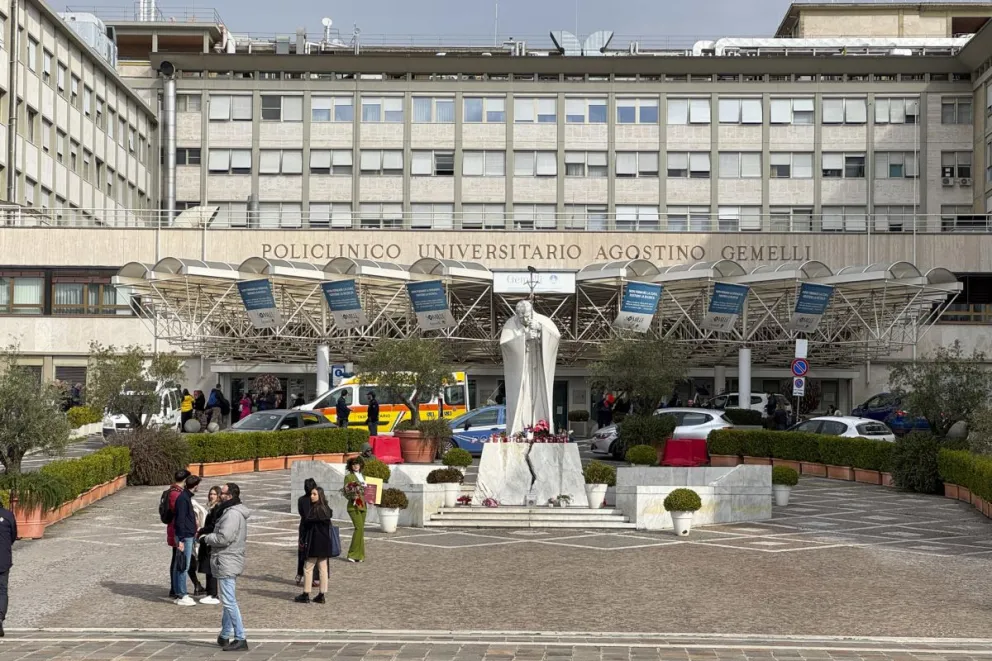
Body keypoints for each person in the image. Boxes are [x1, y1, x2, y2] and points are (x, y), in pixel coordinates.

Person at [201, 482, 250, 652]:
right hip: (229, 559)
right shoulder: (232, 511)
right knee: (229, 599)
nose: (218, 495)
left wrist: (207, 538)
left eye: (222, 493)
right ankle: (225, 634)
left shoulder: (231, 515)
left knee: (229, 601)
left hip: (227, 559)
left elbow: (224, 538)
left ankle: (240, 637)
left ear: (229, 496)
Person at [294, 486, 333, 604]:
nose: (311, 496)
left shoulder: (314, 511)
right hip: (325, 543)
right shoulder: (326, 509)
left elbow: (307, 525)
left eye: (314, 494)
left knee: (308, 568)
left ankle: (306, 593)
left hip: (314, 543)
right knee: (323, 568)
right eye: (311, 494)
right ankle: (322, 594)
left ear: (319, 495)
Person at [172, 474, 201, 606]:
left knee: (181, 565)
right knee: (184, 566)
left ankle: (180, 593)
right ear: (194, 486)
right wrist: (182, 540)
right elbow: (180, 520)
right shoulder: (183, 499)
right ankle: (182, 594)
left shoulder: (184, 497)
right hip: (185, 536)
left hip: (185, 535)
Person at [165, 469, 191, 599]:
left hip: (174, 529)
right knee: (178, 560)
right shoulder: (176, 494)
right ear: (185, 480)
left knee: (177, 559)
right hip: (176, 530)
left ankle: (175, 589)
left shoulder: (174, 491)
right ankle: (176, 589)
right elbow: (179, 513)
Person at [197, 486, 222, 605]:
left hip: (210, 539)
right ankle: (210, 592)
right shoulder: (212, 507)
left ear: (218, 496)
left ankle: (213, 594)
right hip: (208, 538)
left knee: (210, 568)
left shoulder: (216, 508)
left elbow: (213, 526)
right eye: (210, 494)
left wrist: (201, 530)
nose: (211, 496)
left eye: (214, 494)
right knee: (208, 568)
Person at [343, 457, 366, 563]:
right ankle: (352, 554)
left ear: (360, 465)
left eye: (357, 464)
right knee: (358, 528)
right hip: (353, 507)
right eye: (353, 464)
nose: (356, 466)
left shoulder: (364, 477)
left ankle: (360, 555)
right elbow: (346, 492)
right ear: (350, 466)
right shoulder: (349, 477)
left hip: (363, 506)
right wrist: (353, 497)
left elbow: (369, 491)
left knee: (361, 530)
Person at [296, 477, 317, 586]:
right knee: (314, 552)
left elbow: (301, 513)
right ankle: (313, 577)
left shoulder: (301, 500)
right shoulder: (316, 499)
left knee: (302, 551)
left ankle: (299, 574)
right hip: (313, 528)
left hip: (303, 527)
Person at [0, 497, 17, 637]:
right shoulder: (8, 515)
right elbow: (13, 536)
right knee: (2, 590)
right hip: (3, 560)